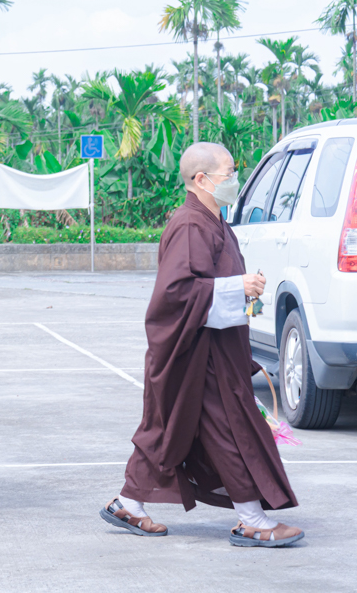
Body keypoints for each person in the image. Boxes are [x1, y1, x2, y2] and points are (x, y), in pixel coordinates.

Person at [100, 142, 304, 548]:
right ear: (201, 179)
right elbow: (174, 293)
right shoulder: (191, 224)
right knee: (228, 429)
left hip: (215, 348)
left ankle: (128, 503)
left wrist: (242, 289)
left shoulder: (215, 221)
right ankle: (251, 520)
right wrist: (235, 287)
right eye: (229, 173)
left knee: (169, 429)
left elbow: (206, 283)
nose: (235, 181)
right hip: (196, 354)